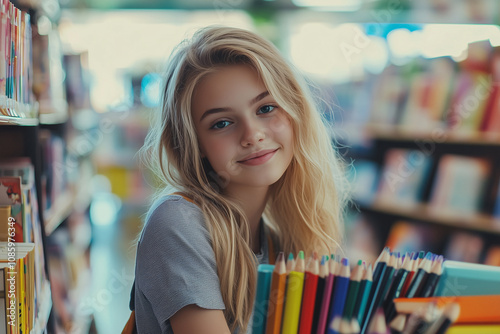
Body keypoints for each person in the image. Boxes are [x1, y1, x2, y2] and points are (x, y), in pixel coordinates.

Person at [129, 25, 350, 334]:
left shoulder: (276, 240)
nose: (252, 135)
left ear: (295, 111)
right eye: (221, 123)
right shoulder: (178, 223)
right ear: (194, 144)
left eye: (266, 108)